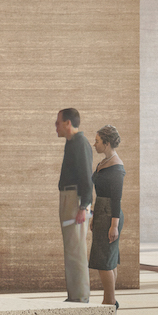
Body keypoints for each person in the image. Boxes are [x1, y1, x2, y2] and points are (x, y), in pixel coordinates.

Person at [55, 106, 94, 303]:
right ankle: (74, 295)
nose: (56, 126)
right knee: (70, 250)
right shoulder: (71, 143)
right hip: (68, 197)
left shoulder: (80, 143)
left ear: (68, 123)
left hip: (75, 199)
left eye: (58, 122)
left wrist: (83, 205)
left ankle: (79, 297)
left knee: (76, 250)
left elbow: (87, 176)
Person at [89, 123, 127, 307]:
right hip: (101, 213)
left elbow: (116, 198)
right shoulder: (104, 162)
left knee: (104, 260)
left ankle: (110, 302)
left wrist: (113, 225)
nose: (94, 144)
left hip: (110, 215)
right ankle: (108, 299)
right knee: (108, 259)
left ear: (106, 143)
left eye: (97, 141)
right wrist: (94, 216)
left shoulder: (116, 168)